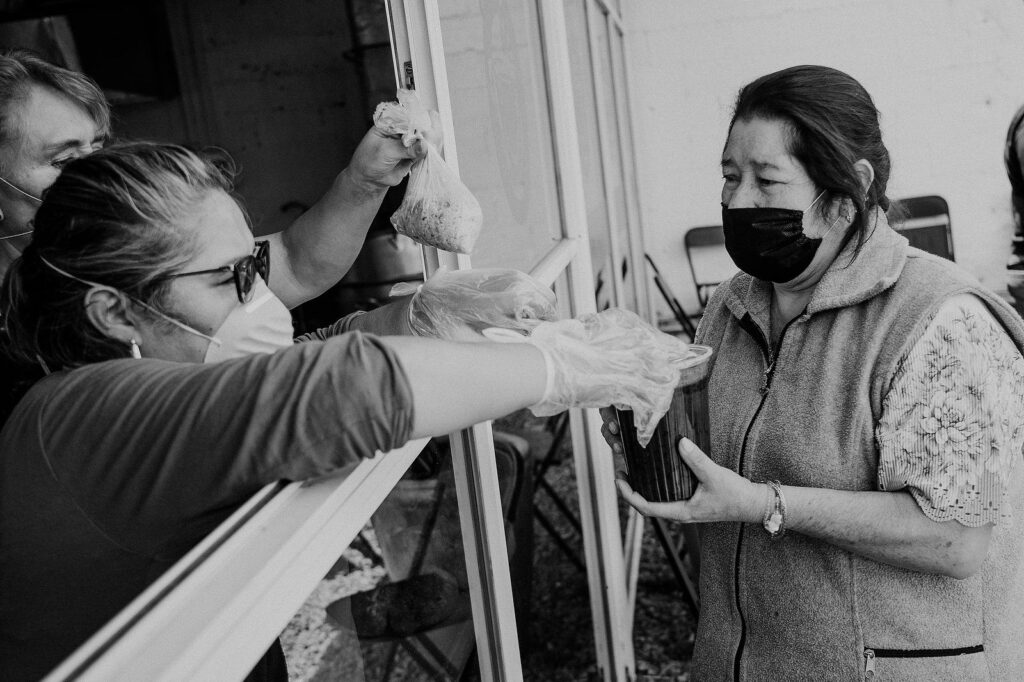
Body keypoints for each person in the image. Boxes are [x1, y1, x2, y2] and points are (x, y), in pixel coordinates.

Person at [0, 141, 691, 681]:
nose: (260, 300)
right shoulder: (79, 410)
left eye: (255, 268)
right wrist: (565, 363)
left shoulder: (143, 382)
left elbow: (306, 355)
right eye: (227, 279)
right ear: (113, 308)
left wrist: (419, 316)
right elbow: (335, 389)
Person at [607, 65, 1024, 680]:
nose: (737, 201)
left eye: (767, 180)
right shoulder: (730, 307)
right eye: (729, 176)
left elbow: (956, 540)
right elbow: (712, 475)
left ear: (847, 191)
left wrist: (764, 504)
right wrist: (656, 440)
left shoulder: (941, 318)